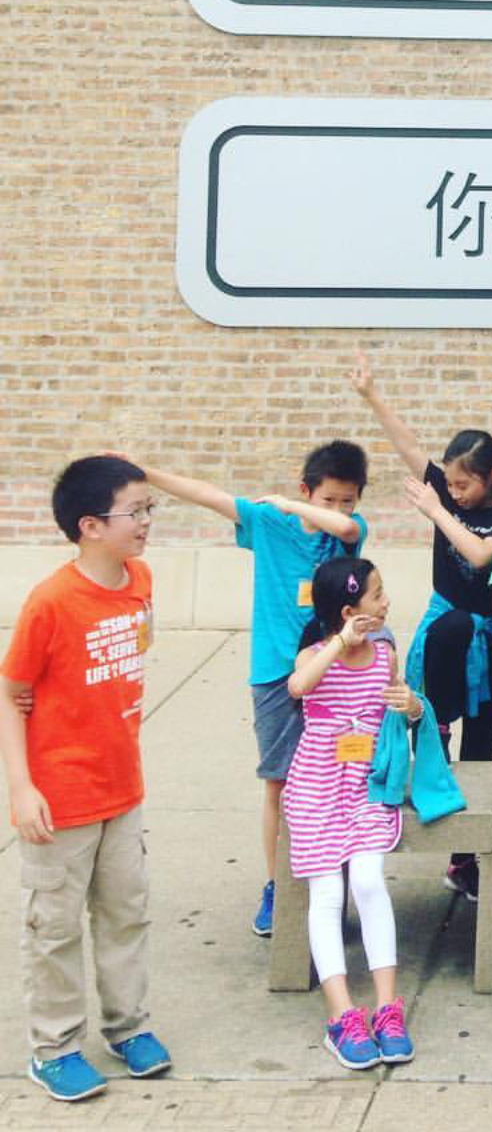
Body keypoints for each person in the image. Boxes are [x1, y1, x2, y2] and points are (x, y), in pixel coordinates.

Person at [137, 441, 368, 938]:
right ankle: (277, 884)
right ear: (307, 489)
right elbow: (207, 495)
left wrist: (295, 506)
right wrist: (147, 471)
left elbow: (349, 529)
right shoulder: (268, 525)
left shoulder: (345, 534)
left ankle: (333, 884)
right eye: (328, 499)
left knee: (339, 780)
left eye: (348, 499)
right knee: (280, 783)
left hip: (333, 672)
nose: (339, 510)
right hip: (274, 674)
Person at [0, 457, 171, 1102]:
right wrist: (22, 788)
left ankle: (128, 1027)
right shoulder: (50, 602)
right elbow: (9, 690)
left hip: (122, 789)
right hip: (59, 799)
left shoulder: (141, 580)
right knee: (55, 927)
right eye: (137, 512)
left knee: (127, 913)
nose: (148, 523)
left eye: (151, 510)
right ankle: (55, 1046)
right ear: (91, 525)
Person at [350, 351, 492, 901]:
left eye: (463, 485)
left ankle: (467, 856)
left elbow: (479, 557)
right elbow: (408, 446)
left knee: (486, 733)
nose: (453, 492)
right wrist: (372, 394)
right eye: (447, 484)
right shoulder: (444, 491)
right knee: (444, 651)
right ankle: (436, 732)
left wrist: (437, 511)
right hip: (448, 630)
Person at [283, 557, 419, 1070]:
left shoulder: (385, 653)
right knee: (327, 891)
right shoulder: (317, 653)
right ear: (348, 610)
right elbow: (298, 688)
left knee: (367, 880)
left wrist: (412, 705)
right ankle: (341, 1015)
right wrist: (341, 641)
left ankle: (387, 1006)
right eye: (377, 595)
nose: (387, 602)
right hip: (318, 786)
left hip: (366, 786)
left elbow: (400, 709)